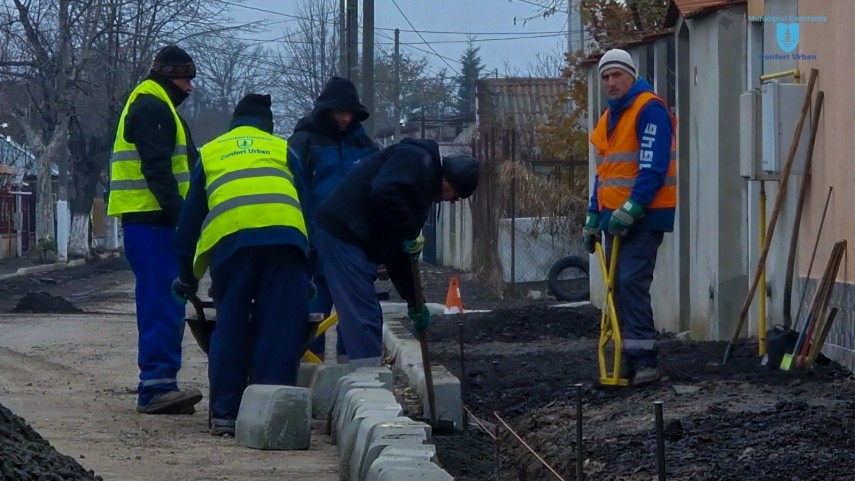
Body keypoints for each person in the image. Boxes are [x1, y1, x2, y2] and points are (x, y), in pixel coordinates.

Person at [172, 93, 311, 436]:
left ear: (234, 122)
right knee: (279, 328)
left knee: (231, 324)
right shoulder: (281, 149)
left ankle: (226, 415)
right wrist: (308, 273)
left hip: (232, 244)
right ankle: (269, 416)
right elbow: (308, 209)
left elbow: (189, 222)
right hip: (286, 242)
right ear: (269, 125)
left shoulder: (211, 151)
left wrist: (187, 278)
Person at [313, 138, 479, 367]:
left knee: (367, 314)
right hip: (340, 231)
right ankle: (369, 386)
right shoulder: (416, 160)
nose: (450, 202)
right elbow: (384, 191)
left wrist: (414, 302)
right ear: (451, 183)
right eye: (455, 197)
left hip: (351, 236)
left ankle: (354, 375)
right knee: (363, 313)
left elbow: (399, 255)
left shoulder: (418, 196)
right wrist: (410, 231)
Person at [106, 45, 202, 414]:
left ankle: (161, 383)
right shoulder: (152, 105)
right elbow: (158, 169)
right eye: (185, 79)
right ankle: (157, 386)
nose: (189, 88)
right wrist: (182, 218)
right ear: (167, 75)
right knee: (161, 301)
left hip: (151, 221)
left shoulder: (156, 103)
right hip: (152, 221)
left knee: (165, 301)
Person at [583, 49, 677, 387]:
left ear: (631, 76)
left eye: (616, 75)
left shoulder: (649, 109)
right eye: (605, 77)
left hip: (644, 216)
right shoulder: (609, 118)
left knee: (630, 284)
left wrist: (633, 208)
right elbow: (604, 174)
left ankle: (645, 361)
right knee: (615, 290)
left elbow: (653, 166)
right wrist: (594, 215)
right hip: (613, 218)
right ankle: (626, 358)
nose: (610, 82)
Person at [287, 76, 380, 362]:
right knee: (311, 317)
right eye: (340, 111)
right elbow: (294, 193)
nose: (345, 117)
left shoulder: (368, 148)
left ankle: (349, 377)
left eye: (349, 112)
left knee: (353, 320)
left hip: (356, 248)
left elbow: (377, 199)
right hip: (313, 249)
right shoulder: (304, 143)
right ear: (325, 110)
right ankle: (309, 378)